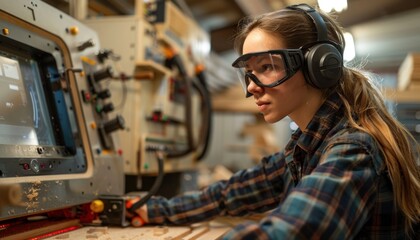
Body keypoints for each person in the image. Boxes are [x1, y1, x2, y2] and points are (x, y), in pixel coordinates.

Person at [127, 3, 420, 239]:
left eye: (266, 67)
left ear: (319, 66)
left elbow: (292, 230)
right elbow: (229, 195)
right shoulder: (307, 148)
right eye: (249, 73)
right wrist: (154, 210)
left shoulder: (353, 150)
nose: (252, 86)